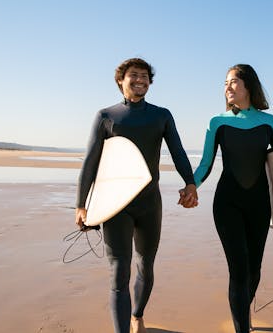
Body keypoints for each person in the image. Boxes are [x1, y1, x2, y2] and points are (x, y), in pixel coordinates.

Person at [75, 58, 198, 333]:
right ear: (121, 80)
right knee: (119, 272)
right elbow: (91, 162)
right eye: (134, 75)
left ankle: (138, 315)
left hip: (149, 203)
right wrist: (81, 205)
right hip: (115, 205)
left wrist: (190, 183)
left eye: (145, 76)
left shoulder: (161, 115)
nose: (140, 80)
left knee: (146, 266)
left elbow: (177, 151)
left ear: (150, 82)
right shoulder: (106, 116)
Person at [180, 64, 273, 333]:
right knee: (239, 268)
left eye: (234, 81)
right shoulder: (217, 122)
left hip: (260, 204)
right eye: (225, 82)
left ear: (249, 85)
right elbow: (206, 163)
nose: (227, 86)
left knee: (254, 268)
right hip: (228, 203)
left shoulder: (270, 122)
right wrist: (191, 186)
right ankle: (242, 328)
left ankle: (241, 312)